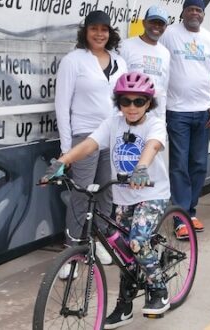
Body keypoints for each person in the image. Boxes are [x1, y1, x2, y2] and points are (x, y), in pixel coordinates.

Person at [43, 72, 173, 324]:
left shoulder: (154, 124)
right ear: (118, 102)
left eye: (139, 101)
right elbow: (90, 144)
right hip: (124, 196)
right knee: (121, 250)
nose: (132, 107)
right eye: (126, 101)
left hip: (152, 194)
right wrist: (62, 162)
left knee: (136, 242)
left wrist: (142, 167)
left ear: (149, 103)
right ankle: (125, 305)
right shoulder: (113, 122)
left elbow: (152, 145)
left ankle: (159, 288)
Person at [55, 10, 127, 255]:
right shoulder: (73, 60)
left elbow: (125, 100)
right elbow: (62, 106)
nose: (99, 34)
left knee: (107, 192)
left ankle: (101, 243)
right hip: (84, 136)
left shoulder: (119, 61)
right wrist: (67, 150)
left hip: (112, 135)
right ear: (85, 32)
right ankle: (72, 249)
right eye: (94, 29)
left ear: (110, 33)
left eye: (104, 29)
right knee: (82, 195)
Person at [160, 0, 210, 238]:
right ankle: (179, 217)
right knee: (179, 165)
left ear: (203, 14)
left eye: (199, 10)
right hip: (177, 111)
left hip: (203, 111)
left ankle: (191, 212)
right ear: (183, 12)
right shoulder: (169, 34)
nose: (195, 13)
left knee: (198, 164)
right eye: (191, 10)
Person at [120, 6, 171, 119]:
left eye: (160, 23)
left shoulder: (165, 53)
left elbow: (163, 89)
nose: (156, 26)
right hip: (130, 116)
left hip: (155, 119)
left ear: (165, 27)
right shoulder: (126, 46)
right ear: (143, 23)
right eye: (153, 22)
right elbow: (117, 83)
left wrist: (162, 119)